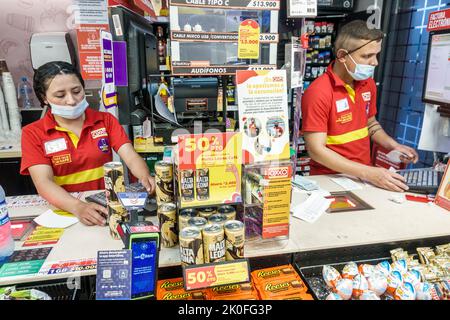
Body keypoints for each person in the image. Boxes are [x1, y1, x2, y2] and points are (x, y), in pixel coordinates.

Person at [20, 61, 156, 226]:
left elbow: (130, 156)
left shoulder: (105, 120)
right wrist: (77, 207)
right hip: (66, 211)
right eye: (60, 95)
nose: (71, 101)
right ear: (44, 98)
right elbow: (43, 182)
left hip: (103, 207)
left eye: (76, 91)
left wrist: (145, 177)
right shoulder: (33, 133)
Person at [302, 20, 419, 192]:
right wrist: (369, 173)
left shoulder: (368, 84)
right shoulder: (319, 92)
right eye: (366, 56)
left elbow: (370, 124)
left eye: (376, 55)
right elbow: (316, 150)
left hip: (364, 178)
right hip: (329, 180)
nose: (375, 63)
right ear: (342, 56)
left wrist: (394, 146)